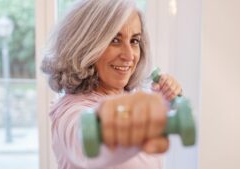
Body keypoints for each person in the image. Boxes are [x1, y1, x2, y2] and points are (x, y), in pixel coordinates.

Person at [41, 0, 182, 168]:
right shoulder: (71, 111)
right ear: (86, 45)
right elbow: (87, 143)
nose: (129, 55)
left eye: (134, 41)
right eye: (115, 40)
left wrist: (163, 103)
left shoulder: (126, 95)